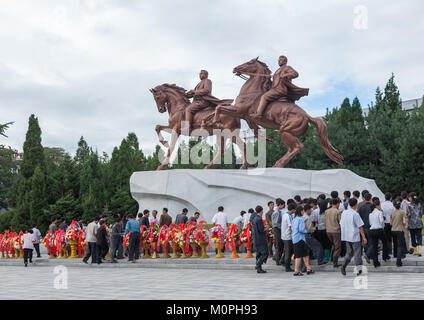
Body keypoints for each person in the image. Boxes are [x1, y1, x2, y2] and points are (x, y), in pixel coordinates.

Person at [340, 198, 368, 276]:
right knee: (357, 253)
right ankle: (359, 270)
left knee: (349, 252)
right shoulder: (355, 214)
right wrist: (364, 237)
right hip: (354, 236)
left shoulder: (344, 213)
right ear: (356, 205)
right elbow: (360, 226)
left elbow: (341, 223)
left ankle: (344, 265)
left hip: (346, 235)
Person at [292, 206, 314, 276]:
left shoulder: (294, 219)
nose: (303, 212)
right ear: (301, 211)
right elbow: (301, 229)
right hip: (300, 239)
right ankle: (296, 271)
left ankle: (308, 268)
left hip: (295, 238)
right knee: (299, 256)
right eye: (303, 211)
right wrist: (307, 230)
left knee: (305, 254)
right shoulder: (301, 219)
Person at [369, 197, 389, 267]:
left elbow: (370, 223)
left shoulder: (370, 214)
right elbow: (381, 221)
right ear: (377, 205)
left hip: (372, 230)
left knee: (375, 246)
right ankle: (385, 256)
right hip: (379, 230)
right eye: (380, 205)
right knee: (385, 243)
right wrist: (382, 226)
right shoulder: (379, 212)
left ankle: (375, 262)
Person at [325, 198, 342, 267]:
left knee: (333, 245)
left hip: (328, 230)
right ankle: (335, 262)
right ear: (337, 204)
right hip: (336, 231)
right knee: (337, 247)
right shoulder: (338, 212)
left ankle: (332, 258)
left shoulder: (326, 211)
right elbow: (340, 222)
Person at [252, 206, 269, 273]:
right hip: (261, 239)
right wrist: (266, 228)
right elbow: (261, 230)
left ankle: (259, 268)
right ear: (261, 211)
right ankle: (258, 264)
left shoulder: (254, 218)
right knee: (265, 253)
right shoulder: (259, 219)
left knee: (258, 254)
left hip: (256, 238)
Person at [391, 199, 407, 266]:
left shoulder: (392, 212)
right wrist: (403, 225)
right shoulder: (402, 212)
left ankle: (395, 255)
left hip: (393, 230)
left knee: (395, 244)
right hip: (400, 230)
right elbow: (404, 222)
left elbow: (390, 223)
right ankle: (398, 261)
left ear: (394, 205)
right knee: (400, 245)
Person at [358, 192, 373, 263]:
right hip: (371, 226)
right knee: (371, 242)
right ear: (370, 198)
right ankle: (368, 255)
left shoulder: (361, 208)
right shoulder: (373, 207)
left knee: (365, 242)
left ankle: (368, 255)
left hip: (363, 227)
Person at [281, 203, 296, 272]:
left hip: (284, 235)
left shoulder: (285, 215)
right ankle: (287, 267)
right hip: (288, 236)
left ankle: (283, 261)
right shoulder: (289, 216)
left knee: (287, 250)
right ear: (292, 209)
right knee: (288, 252)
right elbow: (290, 227)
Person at [272, 198, 285, 265]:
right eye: (283, 205)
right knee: (279, 245)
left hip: (278, 229)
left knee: (280, 245)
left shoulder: (278, 211)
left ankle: (277, 258)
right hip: (277, 229)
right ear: (280, 205)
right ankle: (277, 260)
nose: (283, 206)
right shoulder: (277, 212)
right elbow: (276, 223)